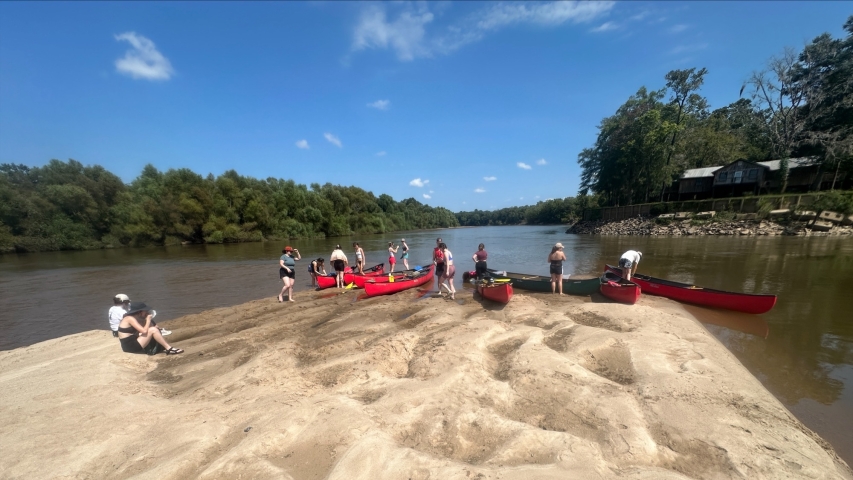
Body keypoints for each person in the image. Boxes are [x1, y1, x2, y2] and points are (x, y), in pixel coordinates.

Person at [117, 302, 183, 355]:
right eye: (145, 311)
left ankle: (163, 348)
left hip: (133, 342)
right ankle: (169, 348)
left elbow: (152, 328)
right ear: (139, 312)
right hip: (130, 346)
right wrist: (148, 320)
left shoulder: (137, 318)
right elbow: (145, 331)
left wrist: (149, 321)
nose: (147, 312)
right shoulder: (129, 318)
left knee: (153, 329)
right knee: (153, 330)